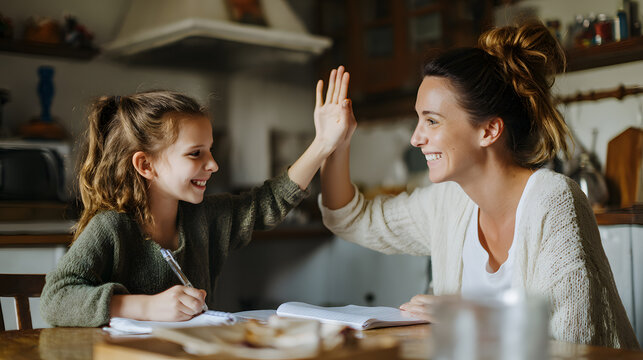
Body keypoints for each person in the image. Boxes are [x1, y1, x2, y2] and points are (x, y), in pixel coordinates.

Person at [318, 22, 639, 349]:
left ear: (488, 131)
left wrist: (465, 314)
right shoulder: (448, 202)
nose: (416, 138)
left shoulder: (553, 201)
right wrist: (334, 144)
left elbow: (575, 346)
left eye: (431, 120)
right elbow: (350, 218)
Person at [41, 68, 351, 327]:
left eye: (210, 149)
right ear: (145, 165)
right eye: (195, 153)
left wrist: (323, 144)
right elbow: (55, 299)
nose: (213, 164)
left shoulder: (207, 218)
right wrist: (146, 308)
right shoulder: (110, 228)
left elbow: (268, 202)